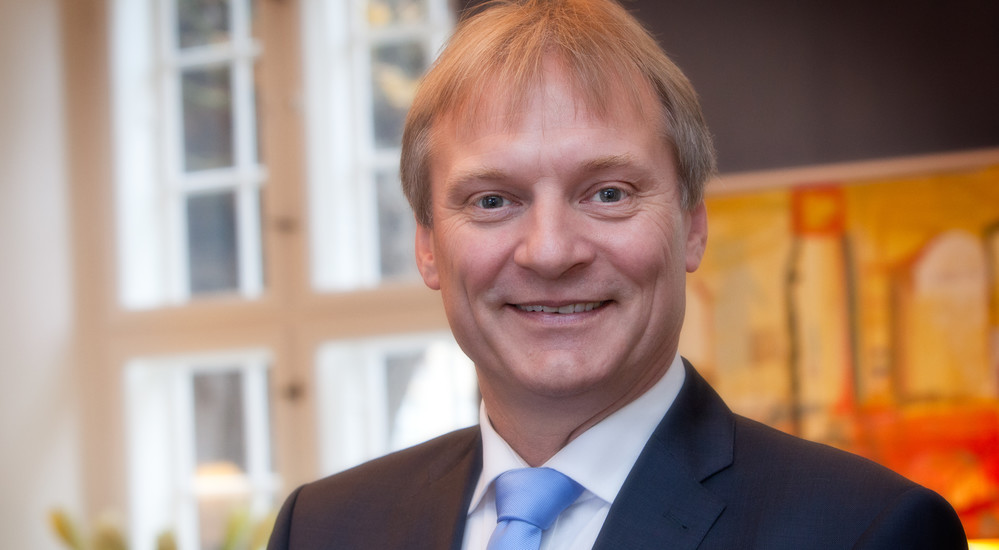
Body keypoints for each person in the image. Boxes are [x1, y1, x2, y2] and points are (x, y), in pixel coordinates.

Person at [267, 0, 968, 548]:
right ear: (427, 246)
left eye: (607, 193)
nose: (550, 252)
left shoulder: (866, 532)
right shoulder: (324, 530)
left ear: (692, 227)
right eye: (493, 201)